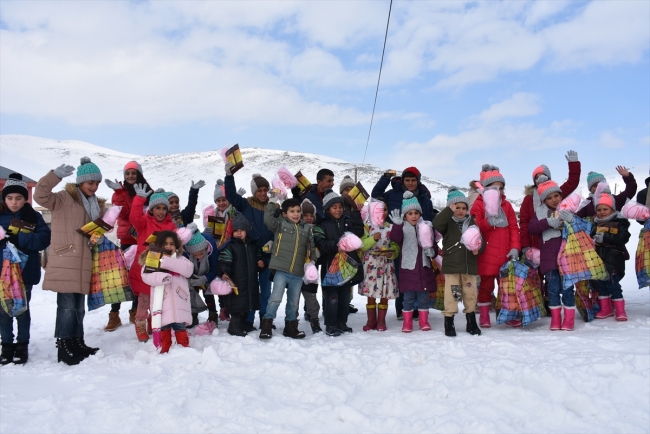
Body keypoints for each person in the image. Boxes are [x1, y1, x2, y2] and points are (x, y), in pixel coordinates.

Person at [34, 157, 105, 365]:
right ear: (80, 181)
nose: (94, 186)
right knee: (66, 307)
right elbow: (40, 195)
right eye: (91, 182)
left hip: (85, 261)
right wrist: (54, 175)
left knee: (78, 307)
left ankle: (77, 342)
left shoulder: (95, 205)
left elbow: (95, 231)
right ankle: (64, 346)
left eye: (97, 183)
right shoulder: (63, 198)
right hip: (66, 258)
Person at [372, 166, 436, 320]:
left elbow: (428, 216)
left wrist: (431, 236)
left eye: (413, 180)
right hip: (399, 237)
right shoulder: (393, 194)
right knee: (403, 273)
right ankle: (402, 308)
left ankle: (418, 308)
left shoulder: (424, 196)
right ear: (402, 181)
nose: (410, 183)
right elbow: (376, 195)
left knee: (420, 272)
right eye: (407, 180)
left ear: (418, 180)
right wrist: (385, 178)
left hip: (420, 240)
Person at [0, 173, 51, 365]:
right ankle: (6, 345)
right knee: (4, 311)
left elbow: (44, 239)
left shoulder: (33, 216)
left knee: (22, 310)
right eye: (10, 198)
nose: (14, 202)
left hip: (25, 272)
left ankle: (22, 345)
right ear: (4, 198)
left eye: (19, 198)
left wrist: (19, 238)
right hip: (2, 273)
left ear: (25, 198)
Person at [103, 161, 153, 331]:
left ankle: (134, 310)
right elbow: (123, 213)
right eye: (127, 173)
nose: (130, 176)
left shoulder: (147, 190)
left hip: (142, 238)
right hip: (126, 238)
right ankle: (114, 314)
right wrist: (118, 192)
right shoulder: (121, 192)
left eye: (133, 173)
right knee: (120, 277)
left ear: (139, 174)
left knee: (138, 276)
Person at [470, 165, 521, 329]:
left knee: (506, 287)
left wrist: (515, 247)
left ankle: (507, 314)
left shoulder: (507, 206)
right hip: (486, 254)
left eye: (501, 187)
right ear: (485, 188)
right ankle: (484, 316)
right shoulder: (478, 204)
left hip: (505, 253)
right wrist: (487, 222)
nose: (498, 190)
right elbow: (473, 226)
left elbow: (514, 227)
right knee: (486, 286)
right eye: (494, 187)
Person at [259, 196, 316, 339]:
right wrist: (272, 201)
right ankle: (266, 325)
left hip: (297, 272)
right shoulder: (280, 225)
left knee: (293, 302)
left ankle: (290, 327)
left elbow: (311, 248)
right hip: (281, 270)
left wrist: (312, 262)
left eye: (298, 211)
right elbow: (267, 220)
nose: (296, 214)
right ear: (285, 214)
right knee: (275, 298)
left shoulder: (306, 229)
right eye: (292, 211)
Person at [528, 176, 577, 330]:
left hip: (567, 256)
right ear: (544, 200)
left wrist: (572, 220)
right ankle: (555, 319)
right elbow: (531, 228)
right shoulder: (540, 212)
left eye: (556, 196)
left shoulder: (568, 208)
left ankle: (569, 320)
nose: (554, 200)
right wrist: (547, 222)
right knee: (553, 289)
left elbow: (580, 227)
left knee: (568, 289)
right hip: (549, 258)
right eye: (549, 198)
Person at [128, 187, 177, 342]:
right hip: (145, 270)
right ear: (151, 208)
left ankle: (153, 323)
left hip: (161, 270)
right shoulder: (143, 222)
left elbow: (176, 244)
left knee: (159, 301)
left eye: (164, 208)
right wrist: (139, 200)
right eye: (157, 208)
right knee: (143, 302)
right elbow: (134, 217)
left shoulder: (171, 225)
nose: (161, 211)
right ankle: (140, 324)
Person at [432, 187, 483, 337]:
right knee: (452, 294)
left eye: (463, 207)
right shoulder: (447, 224)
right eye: (456, 207)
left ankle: (471, 321)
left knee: (470, 293)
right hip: (453, 267)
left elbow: (481, 240)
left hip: (468, 267)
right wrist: (448, 210)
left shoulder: (472, 223)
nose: (460, 210)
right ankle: (449, 321)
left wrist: (478, 249)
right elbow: (436, 223)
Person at [314, 189, 364, 336]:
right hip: (331, 267)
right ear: (327, 209)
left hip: (347, 266)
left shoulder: (348, 220)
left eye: (340, 207)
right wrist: (337, 245)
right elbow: (321, 242)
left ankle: (342, 322)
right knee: (332, 297)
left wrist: (356, 213)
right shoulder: (322, 225)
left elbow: (358, 233)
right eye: (334, 207)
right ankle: (330, 324)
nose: (338, 210)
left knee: (344, 297)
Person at [389, 192, 438, 333]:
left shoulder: (425, 227)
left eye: (416, 212)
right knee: (408, 299)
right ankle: (407, 322)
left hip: (423, 268)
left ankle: (424, 321)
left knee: (423, 298)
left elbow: (432, 244)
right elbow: (395, 239)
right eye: (410, 213)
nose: (414, 216)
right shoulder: (402, 227)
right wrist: (397, 225)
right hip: (408, 269)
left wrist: (432, 251)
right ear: (405, 215)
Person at [139, 231, 193, 352]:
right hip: (162, 303)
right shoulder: (152, 259)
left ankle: (184, 348)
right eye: (165, 244)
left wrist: (166, 262)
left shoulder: (181, 259)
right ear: (159, 245)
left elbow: (188, 270)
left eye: (172, 244)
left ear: (177, 246)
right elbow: (146, 276)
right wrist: (162, 278)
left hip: (180, 302)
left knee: (180, 327)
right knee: (164, 327)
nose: (168, 247)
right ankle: (165, 348)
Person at [217, 213, 265, 337]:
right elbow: (224, 260)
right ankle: (234, 325)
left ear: (246, 231)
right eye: (236, 231)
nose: (239, 233)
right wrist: (224, 272)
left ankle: (242, 324)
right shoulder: (230, 246)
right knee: (237, 305)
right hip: (236, 281)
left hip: (250, 281)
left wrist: (260, 261)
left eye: (242, 230)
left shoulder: (252, 245)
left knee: (246, 304)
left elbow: (258, 256)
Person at [359, 198, 399, 332]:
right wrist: (373, 239)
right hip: (370, 264)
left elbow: (395, 245)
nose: (382, 213)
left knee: (384, 292)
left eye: (385, 210)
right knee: (370, 292)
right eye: (379, 210)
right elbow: (362, 245)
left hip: (386, 264)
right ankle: (371, 320)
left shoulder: (391, 227)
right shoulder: (367, 227)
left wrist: (392, 253)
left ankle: (381, 320)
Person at [591, 187, 631, 321]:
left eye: (605, 209)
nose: (602, 212)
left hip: (614, 258)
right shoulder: (594, 224)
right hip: (599, 258)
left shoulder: (620, 222)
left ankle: (620, 310)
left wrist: (605, 237)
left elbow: (623, 238)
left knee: (613, 283)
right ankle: (606, 309)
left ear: (612, 210)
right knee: (601, 283)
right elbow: (591, 237)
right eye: (599, 209)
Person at [183, 224, 219, 327]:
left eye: (201, 253)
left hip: (206, 273)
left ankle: (213, 314)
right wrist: (191, 278)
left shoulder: (211, 248)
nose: (198, 256)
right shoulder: (185, 250)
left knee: (208, 293)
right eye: (195, 255)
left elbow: (214, 268)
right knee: (192, 293)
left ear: (205, 248)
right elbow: (183, 266)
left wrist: (205, 278)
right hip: (192, 274)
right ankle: (193, 315)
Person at [297, 198, 322, 333]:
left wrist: (317, 252)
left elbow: (321, 245)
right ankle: (292, 321)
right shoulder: (295, 229)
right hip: (295, 269)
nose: (308, 218)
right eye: (305, 215)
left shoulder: (317, 230)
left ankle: (314, 319)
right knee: (294, 297)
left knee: (311, 295)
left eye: (311, 215)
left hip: (311, 269)